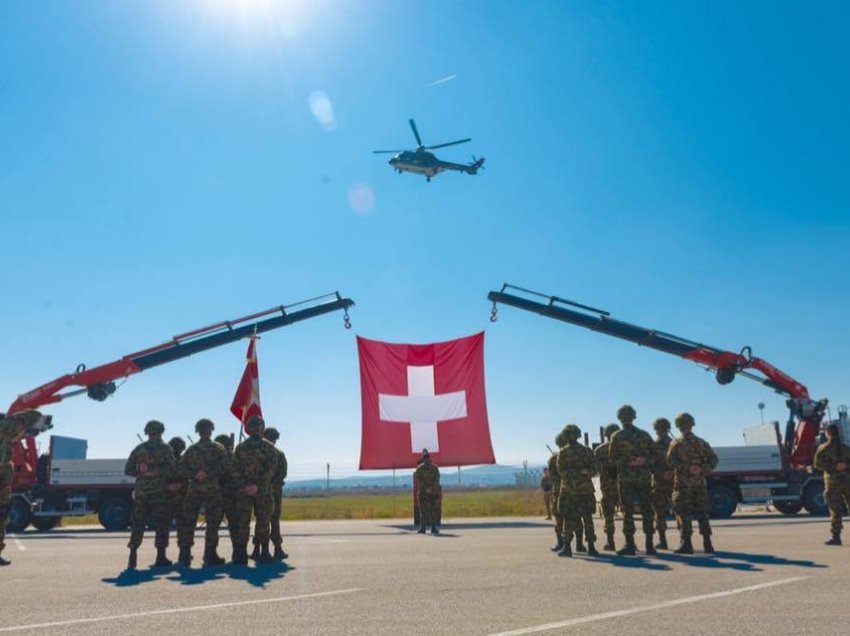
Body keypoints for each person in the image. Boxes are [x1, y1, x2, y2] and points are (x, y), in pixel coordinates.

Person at [124, 420, 176, 569]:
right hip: (159, 493)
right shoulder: (166, 449)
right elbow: (172, 469)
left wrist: (141, 470)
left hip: (142, 492)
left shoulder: (139, 449)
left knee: (137, 524)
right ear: (161, 431)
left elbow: (128, 470)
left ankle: (132, 557)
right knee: (161, 524)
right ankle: (161, 557)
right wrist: (156, 472)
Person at [0, 410, 48, 567]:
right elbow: (32, 415)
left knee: (2, 515)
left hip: (3, 489)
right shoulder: (4, 429)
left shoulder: (7, 444)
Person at [667, 412, 718, 554]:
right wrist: (701, 469)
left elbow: (670, 461)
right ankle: (708, 544)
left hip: (683, 485)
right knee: (703, 513)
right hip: (700, 484)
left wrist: (686, 468)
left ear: (678, 425)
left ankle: (686, 544)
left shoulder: (675, 443)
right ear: (691, 424)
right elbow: (713, 459)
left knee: (683, 514)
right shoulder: (701, 442)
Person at [178, 419, 227, 567]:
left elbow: (181, 468)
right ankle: (210, 555)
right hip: (212, 490)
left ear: (198, 431)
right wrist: (208, 473)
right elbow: (225, 467)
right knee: (212, 524)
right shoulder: (219, 448)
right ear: (211, 430)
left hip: (194, 490)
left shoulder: (191, 450)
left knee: (188, 523)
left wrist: (194, 474)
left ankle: (185, 555)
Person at [609, 404, 656, 556]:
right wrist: (643, 461)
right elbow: (655, 455)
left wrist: (627, 462)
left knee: (627, 512)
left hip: (626, 479)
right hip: (643, 478)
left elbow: (612, 458)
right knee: (647, 511)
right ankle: (650, 545)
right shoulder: (644, 435)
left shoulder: (616, 436)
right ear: (634, 416)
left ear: (620, 418)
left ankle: (630, 545)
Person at [232, 415, 278, 565]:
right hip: (262, 491)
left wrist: (246, 486)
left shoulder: (240, 448)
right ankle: (263, 552)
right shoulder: (269, 447)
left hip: (244, 491)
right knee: (263, 521)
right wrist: (257, 485)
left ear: (248, 428)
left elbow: (235, 471)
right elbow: (271, 470)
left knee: (243, 522)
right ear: (262, 428)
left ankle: (241, 554)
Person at [556, 424, 599, 558]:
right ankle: (591, 547)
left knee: (569, 519)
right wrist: (584, 472)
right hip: (585, 490)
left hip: (569, 491)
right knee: (588, 519)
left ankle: (567, 547)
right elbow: (594, 468)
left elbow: (562, 473)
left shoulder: (562, 453)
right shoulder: (586, 451)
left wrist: (574, 473)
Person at [813, 423, 850, 546]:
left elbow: (817, 464)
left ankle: (836, 537)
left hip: (833, 483)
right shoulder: (845, 448)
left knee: (835, 510)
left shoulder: (823, 448)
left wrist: (833, 468)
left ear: (828, 433)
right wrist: (845, 467)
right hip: (847, 481)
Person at [264, 427, 288, 560]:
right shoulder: (279, 453)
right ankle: (277, 548)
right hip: (274, 490)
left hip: (260, 490)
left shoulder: (258, 452)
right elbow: (283, 472)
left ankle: (258, 548)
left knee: (262, 519)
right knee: (274, 519)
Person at [595, 423, 620, 551]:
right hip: (624, 485)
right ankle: (630, 542)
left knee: (608, 516)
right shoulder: (625, 447)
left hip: (608, 487)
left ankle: (610, 542)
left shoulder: (600, 450)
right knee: (628, 514)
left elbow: (595, 469)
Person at [651, 418, 675, 550]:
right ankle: (685, 540)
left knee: (659, 513)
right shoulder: (675, 443)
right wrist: (672, 472)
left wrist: (661, 474)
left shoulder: (654, 445)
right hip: (675, 481)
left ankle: (663, 541)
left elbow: (650, 464)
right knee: (680, 511)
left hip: (659, 483)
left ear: (656, 429)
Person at [215, 433, 240, 558]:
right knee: (234, 525)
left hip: (215, 496)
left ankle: (210, 554)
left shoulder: (212, 459)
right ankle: (237, 552)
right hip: (232, 496)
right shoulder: (235, 458)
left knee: (213, 526)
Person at [167, 436, 188, 553]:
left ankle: (161, 554)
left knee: (164, 526)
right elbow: (189, 477)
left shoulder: (164, 461)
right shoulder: (185, 461)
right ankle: (183, 552)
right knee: (182, 526)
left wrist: (168, 486)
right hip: (181, 497)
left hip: (167, 497)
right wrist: (180, 485)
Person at [414, 450, 440, 535]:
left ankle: (433, 528)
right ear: (424, 459)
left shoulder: (434, 468)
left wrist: (430, 488)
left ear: (429, 458)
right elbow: (418, 480)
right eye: (425, 458)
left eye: (427, 458)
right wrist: (427, 488)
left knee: (432, 510)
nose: (427, 460)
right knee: (423, 511)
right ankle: (423, 528)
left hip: (430, 492)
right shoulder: (420, 468)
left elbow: (436, 480)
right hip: (423, 492)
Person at [547, 433, 565, 552]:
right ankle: (580, 544)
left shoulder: (553, 459)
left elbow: (552, 477)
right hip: (574, 490)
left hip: (558, 491)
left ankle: (560, 543)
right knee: (576, 518)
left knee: (559, 518)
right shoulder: (580, 452)